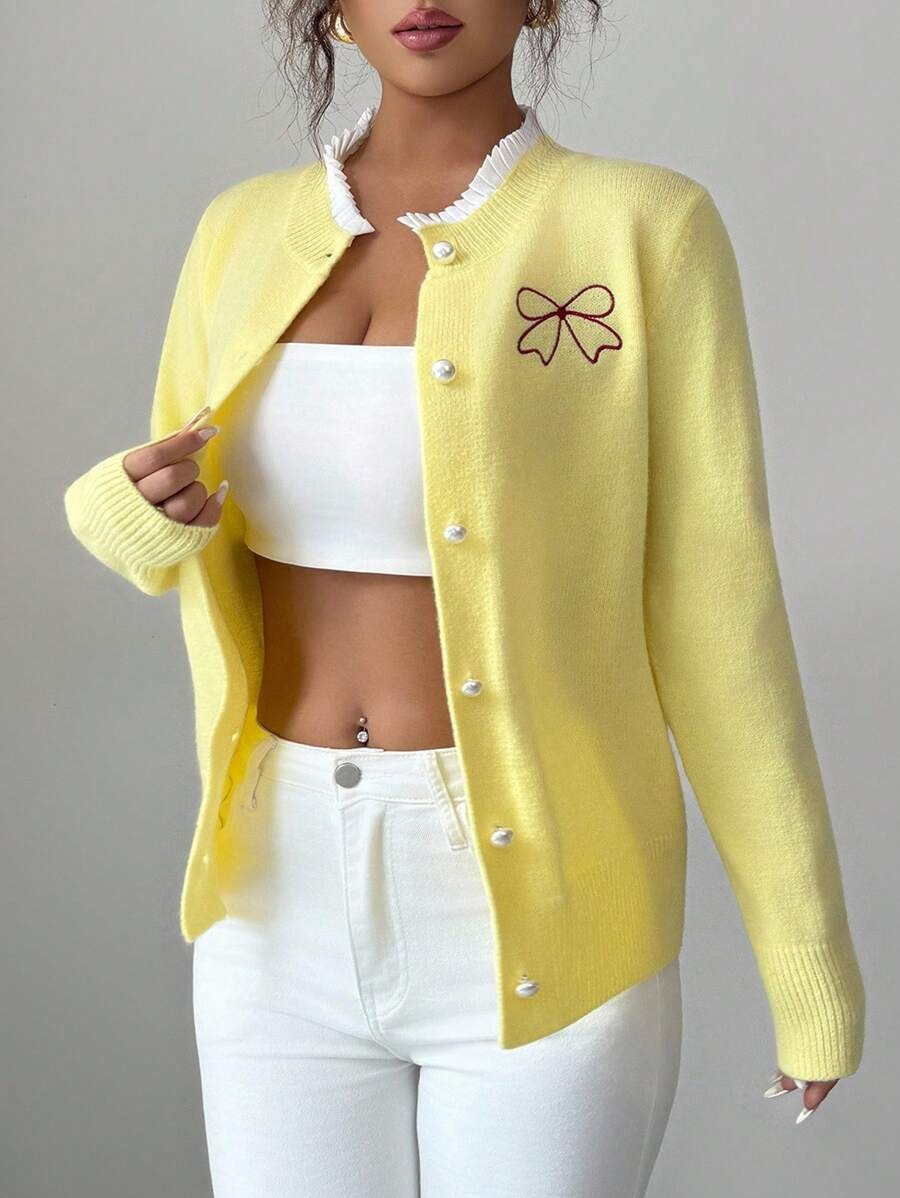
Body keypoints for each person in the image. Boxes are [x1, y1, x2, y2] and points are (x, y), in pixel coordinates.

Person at [63, 2, 866, 1194]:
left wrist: (807, 960)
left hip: (545, 898)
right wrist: (122, 507)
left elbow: (718, 609)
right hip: (271, 896)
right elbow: (171, 513)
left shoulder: (642, 225)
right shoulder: (238, 231)